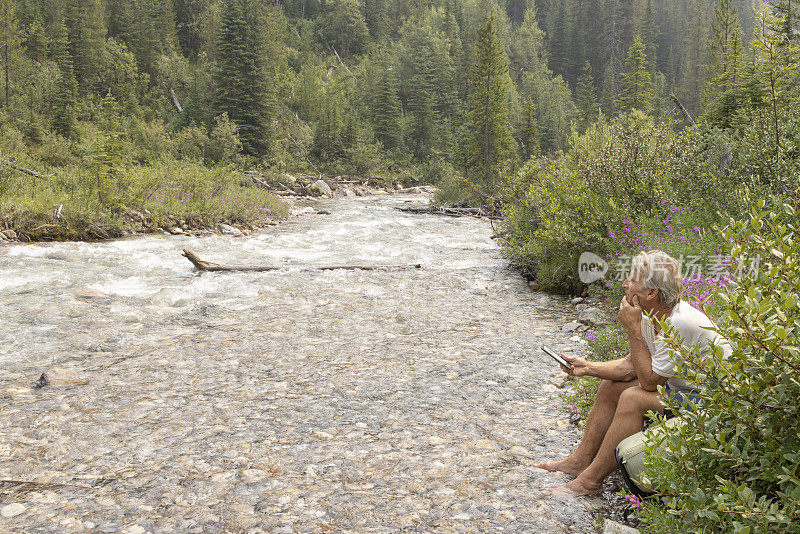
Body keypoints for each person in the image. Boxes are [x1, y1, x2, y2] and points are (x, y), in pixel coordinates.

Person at [536, 250, 730, 497]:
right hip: (683, 391)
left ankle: (590, 482)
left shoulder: (680, 323)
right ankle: (579, 461)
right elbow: (631, 365)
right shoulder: (652, 313)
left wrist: (632, 329)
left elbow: (649, 382)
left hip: (714, 403)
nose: (624, 284)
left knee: (633, 397)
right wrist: (587, 367)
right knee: (612, 385)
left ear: (651, 293)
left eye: (632, 280)